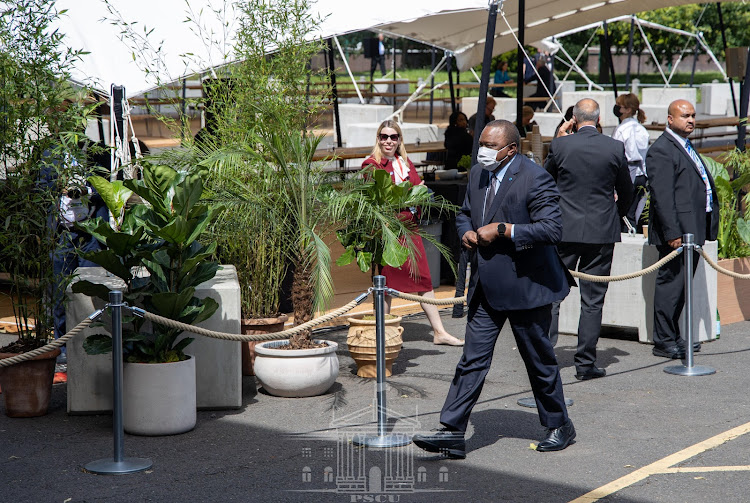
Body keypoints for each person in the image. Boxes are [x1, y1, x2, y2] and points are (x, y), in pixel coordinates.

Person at [412, 120, 576, 459]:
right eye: (481, 143)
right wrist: (466, 233)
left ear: (511, 149)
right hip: (486, 287)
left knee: (539, 361)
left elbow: (551, 229)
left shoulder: (535, 177)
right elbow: (465, 214)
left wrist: (503, 230)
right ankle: (453, 431)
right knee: (471, 360)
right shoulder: (478, 174)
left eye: (490, 145)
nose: (482, 150)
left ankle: (560, 425)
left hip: (526, 286)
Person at [545, 99, 633, 380]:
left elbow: (544, 182)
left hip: (564, 229)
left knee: (553, 296)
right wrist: (614, 214)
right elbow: (627, 190)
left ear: (573, 118)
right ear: (598, 119)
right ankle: (585, 364)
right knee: (593, 300)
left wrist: (558, 138)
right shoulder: (614, 147)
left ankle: (545, 361)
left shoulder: (560, 145)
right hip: (601, 230)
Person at [362, 120, 464, 346]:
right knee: (387, 284)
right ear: (378, 139)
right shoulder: (371, 165)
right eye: (384, 136)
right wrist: (408, 194)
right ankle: (384, 334)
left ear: (399, 140)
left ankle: (439, 332)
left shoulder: (404, 163)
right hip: (388, 231)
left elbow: (418, 190)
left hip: (410, 229)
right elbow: (381, 199)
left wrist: (409, 194)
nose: (388, 141)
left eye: (393, 136)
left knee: (424, 281)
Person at [647, 100, 719, 359]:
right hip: (677, 234)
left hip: (693, 230)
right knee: (670, 286)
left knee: (681, 287)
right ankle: (663, 340)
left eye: (693, 115)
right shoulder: (662, 150)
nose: (690, 119)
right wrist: (672, 233)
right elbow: (663, 197)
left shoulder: (684, 145)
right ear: (669, 119)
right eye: (684, 115)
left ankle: (675, 334)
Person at [612, 93, 650, 233]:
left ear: (627, 109)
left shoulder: (622, 130)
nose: (616, 109)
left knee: (623, 213)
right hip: (641, 174)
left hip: (627, 173)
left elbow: (617, 153)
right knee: (633, 213)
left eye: (619, 106)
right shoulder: (641, 129)